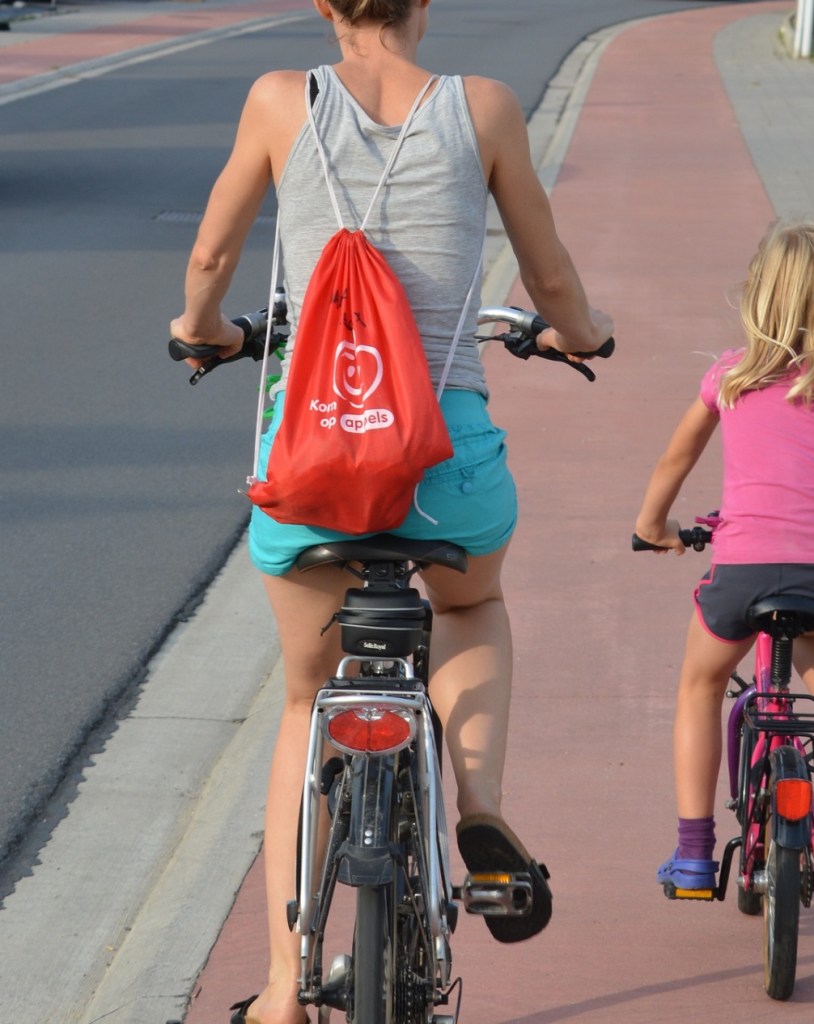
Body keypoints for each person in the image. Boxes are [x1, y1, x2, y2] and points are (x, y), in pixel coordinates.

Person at [170, 1, 614, 1021]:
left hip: (313, 457)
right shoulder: (484, 109)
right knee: (468, 606)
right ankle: (483, 809)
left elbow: (208, 261)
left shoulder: (281, 100)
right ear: (425, 5)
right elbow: (546, 274)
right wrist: (578, 333)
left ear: (324, 5)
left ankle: (282, 989)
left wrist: (201, 330)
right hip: (441, 456)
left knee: (301, 700)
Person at [632, 219, 814, 892]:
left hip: (740, 570)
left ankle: (695, 855)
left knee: (699, 685)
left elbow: (675, 457)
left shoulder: (728, 375)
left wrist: (652, 526)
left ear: (757, 293)